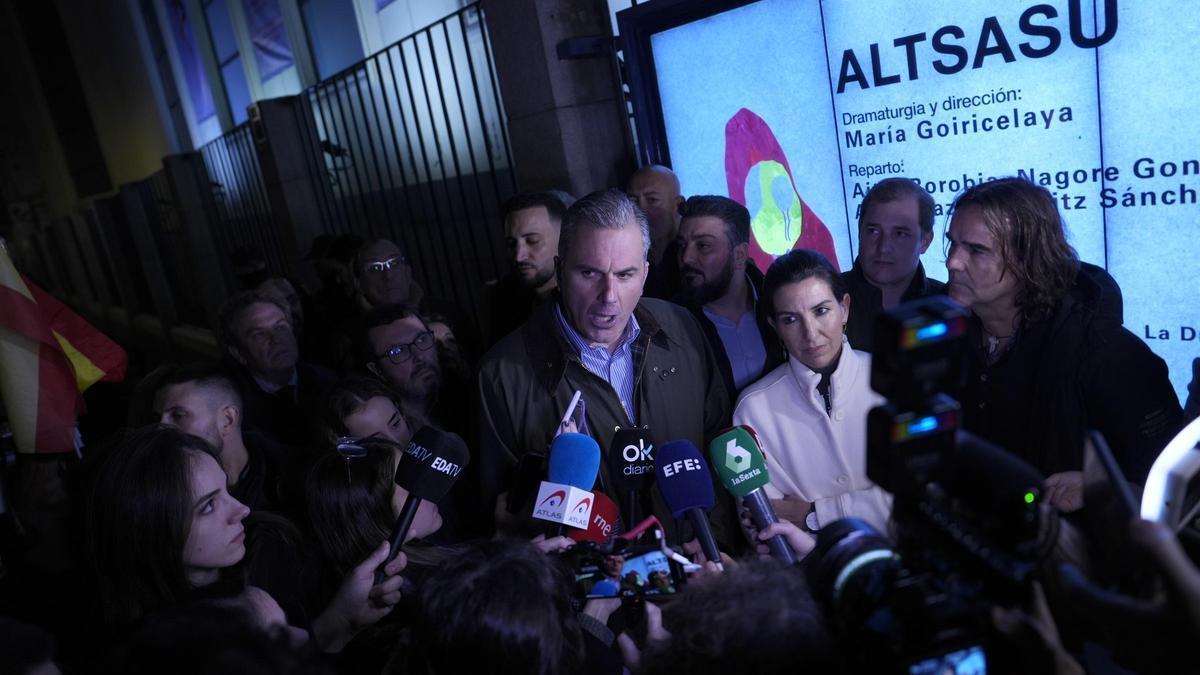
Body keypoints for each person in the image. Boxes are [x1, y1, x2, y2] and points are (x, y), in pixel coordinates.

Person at [477, 188, 736, 546]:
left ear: (645, 273)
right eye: (589, 273)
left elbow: (721, 450)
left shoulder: (682, 327)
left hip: (701, 574)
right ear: (559, 270)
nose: (608, 296)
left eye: (626, 275)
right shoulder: (502, 375)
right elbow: (505, 516)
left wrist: (714, 548)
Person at [946, 177, 1181, 500]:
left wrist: (1100, 489)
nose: (952, 262)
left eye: (976, 250)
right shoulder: (949, 340)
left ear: (1027, 258)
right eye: (953, 244)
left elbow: (1172, 491)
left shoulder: (1110, 356)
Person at [79, 425, 408, 654]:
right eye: (208, 505)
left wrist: (341, 621)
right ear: (151, 530)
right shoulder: (142, 648)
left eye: (226, 489)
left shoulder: (274, 549)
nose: (242, 509)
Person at [732, 249, 892, 535]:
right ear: (774, 325)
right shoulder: (753, 410)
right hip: (810, 575)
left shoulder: (894, 380)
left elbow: (918, 496)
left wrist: (815, 514)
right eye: (791, 319)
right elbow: (766, 528)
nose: (810, 332)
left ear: (844, 308)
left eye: (821, 311)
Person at [675, 195, 782, 393]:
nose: (686, 258)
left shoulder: (780, 306)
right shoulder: (672, 326)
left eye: (703, 246)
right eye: (682, 245)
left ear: (739, 255)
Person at [153, 364, 294, 513]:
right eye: (157, 417)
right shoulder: (163, 488)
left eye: (178, 416)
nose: (160, 428)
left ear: (227, 420)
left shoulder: (292, 478)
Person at [218, 291, 335, 448]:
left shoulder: (328, 382)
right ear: (238, 353)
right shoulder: (234, 414)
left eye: (280, 327)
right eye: (259, 334)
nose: (276, 339)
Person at [841, 177, 945, 351]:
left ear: (925, 242)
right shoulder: (823, 301)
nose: (883, 247)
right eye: (873, 231)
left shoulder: (947, 306)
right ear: (859, 232)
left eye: (900, 233)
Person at [484, 192, 566, 346]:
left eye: (532, 241)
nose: (518, 256)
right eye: (511, 244)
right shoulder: (504, 299)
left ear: (563, 238)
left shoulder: (590, 294)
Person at [627, 165, 684, 300]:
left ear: (678, 205)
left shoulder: (692, 254)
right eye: (633, 201)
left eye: (652, 200)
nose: (641, 211)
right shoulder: (629, 256)